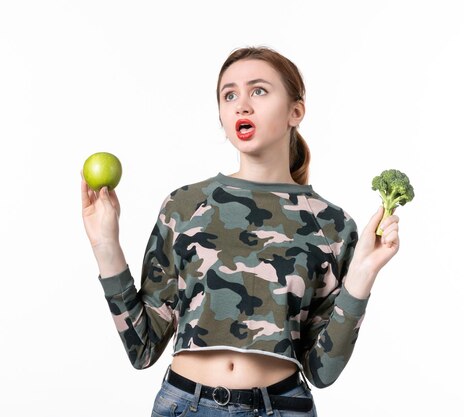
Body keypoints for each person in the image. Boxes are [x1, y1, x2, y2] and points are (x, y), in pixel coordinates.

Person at [81, 46, 401, 417]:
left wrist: (362, 277)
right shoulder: (184, 206)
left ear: (295, 112)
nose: (241, 105)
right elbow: (143, 348)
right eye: (229, 94)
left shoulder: (331, 224)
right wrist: (105, 245)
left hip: (281, 407)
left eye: (259, 91)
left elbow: (322, 370)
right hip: (184, 405)